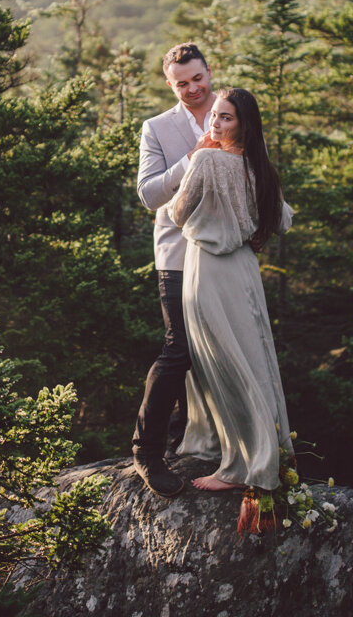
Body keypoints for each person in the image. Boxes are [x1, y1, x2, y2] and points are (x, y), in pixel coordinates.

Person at [171, 87, 293, 492]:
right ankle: (259, 448)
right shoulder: (260, 167)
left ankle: (238, 466)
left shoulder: (206, 158)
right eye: (215, 116)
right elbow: (283, 220)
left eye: (225, 118)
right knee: (250, 357)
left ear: (243, 124)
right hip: (244, 267)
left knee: (220, 360)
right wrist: (248, 226)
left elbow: (176, 213)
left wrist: (202, 156)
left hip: (208, 267)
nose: (215, 124)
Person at [130, 42, 218, 497]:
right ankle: (147, 452)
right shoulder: (157, 128)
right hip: (178, 256)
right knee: (179, 350)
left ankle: (196, 440)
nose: (192, 88)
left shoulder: (233, 114)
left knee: (218, 350)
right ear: (171, 84)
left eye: (197, 78)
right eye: (181, 83)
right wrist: (193, 157)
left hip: (224, 255)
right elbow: (148, 195)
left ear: (209, 72)